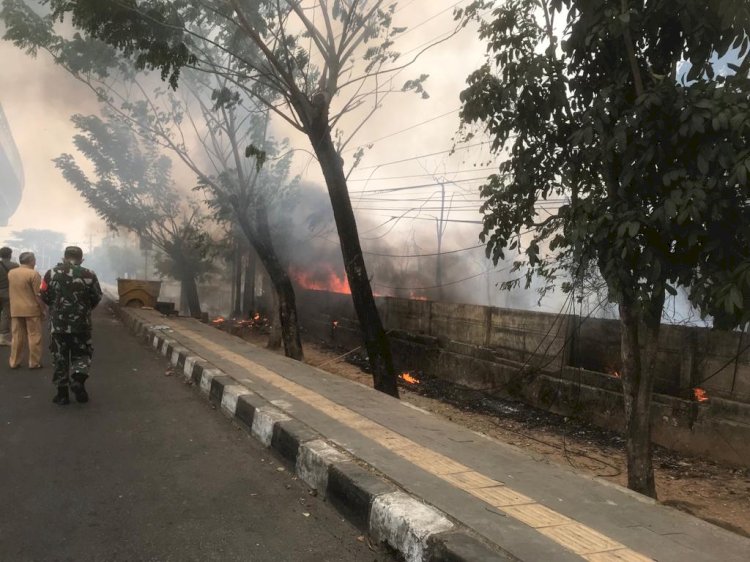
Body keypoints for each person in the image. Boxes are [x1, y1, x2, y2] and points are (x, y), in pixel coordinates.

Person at [41, 246, 102, 405]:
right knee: (81, 354)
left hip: (58, 325)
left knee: (59, 357)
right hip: (81, 325)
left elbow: (44, 295)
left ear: (64, 258)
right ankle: (78, 381)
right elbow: (96, 297)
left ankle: (62, 395)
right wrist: (85, 310)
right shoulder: (89, 274)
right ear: (81, 259)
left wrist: (56, 308)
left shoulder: (51, 273)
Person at [8, 252, 45, 369]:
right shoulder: (34, 274)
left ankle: (14, 362)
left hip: (15, 309)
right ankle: (34, 362)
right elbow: (38, 295)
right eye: (34, 259)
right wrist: (43, 309)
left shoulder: (11, 273)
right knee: (34, 336)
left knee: (17, 337)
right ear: (31, 261)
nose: (35, 262)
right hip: (31, 310)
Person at [0, 247, 20, 346]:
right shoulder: (15, 266)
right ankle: (3, 338)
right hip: (7, 293)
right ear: (10, 255)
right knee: (6, 315)